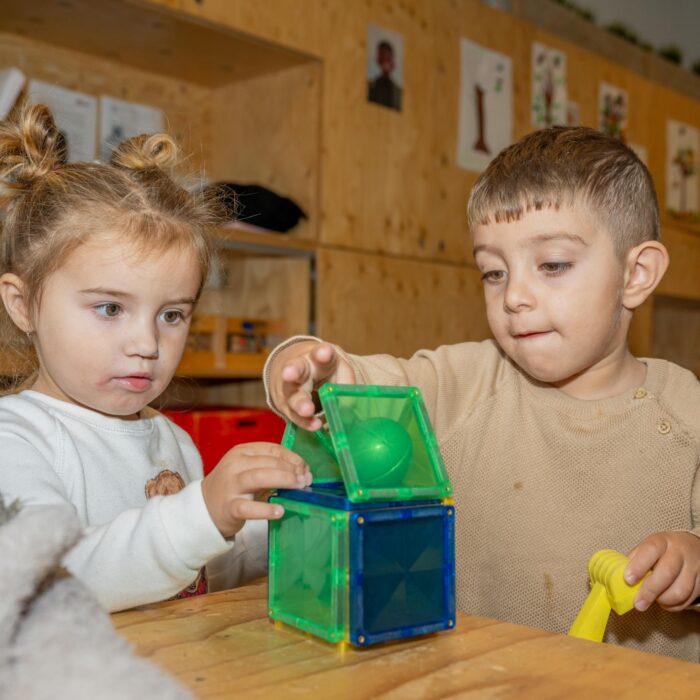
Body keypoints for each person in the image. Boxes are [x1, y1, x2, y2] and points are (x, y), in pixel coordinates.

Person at [264, 126, 700, 661]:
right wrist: (305, 368)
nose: (514, 295)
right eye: (494, 272)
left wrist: (695, 565)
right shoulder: (467, 380)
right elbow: (361, 378)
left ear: (637, 273)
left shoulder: (687, 414)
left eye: (553, 265)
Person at [0, 104, 311, 612]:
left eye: (171, 315)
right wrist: (203, 512)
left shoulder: (171, 440)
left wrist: (271, 521)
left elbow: (193, 571)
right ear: (22, 304)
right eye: (110, 308)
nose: (146, 343)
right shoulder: (15, 440)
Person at [367, 40, 402, 111]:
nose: (385, 62)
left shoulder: (397, 91)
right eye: (382, 56)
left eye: (387, 57)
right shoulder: (372, 85)